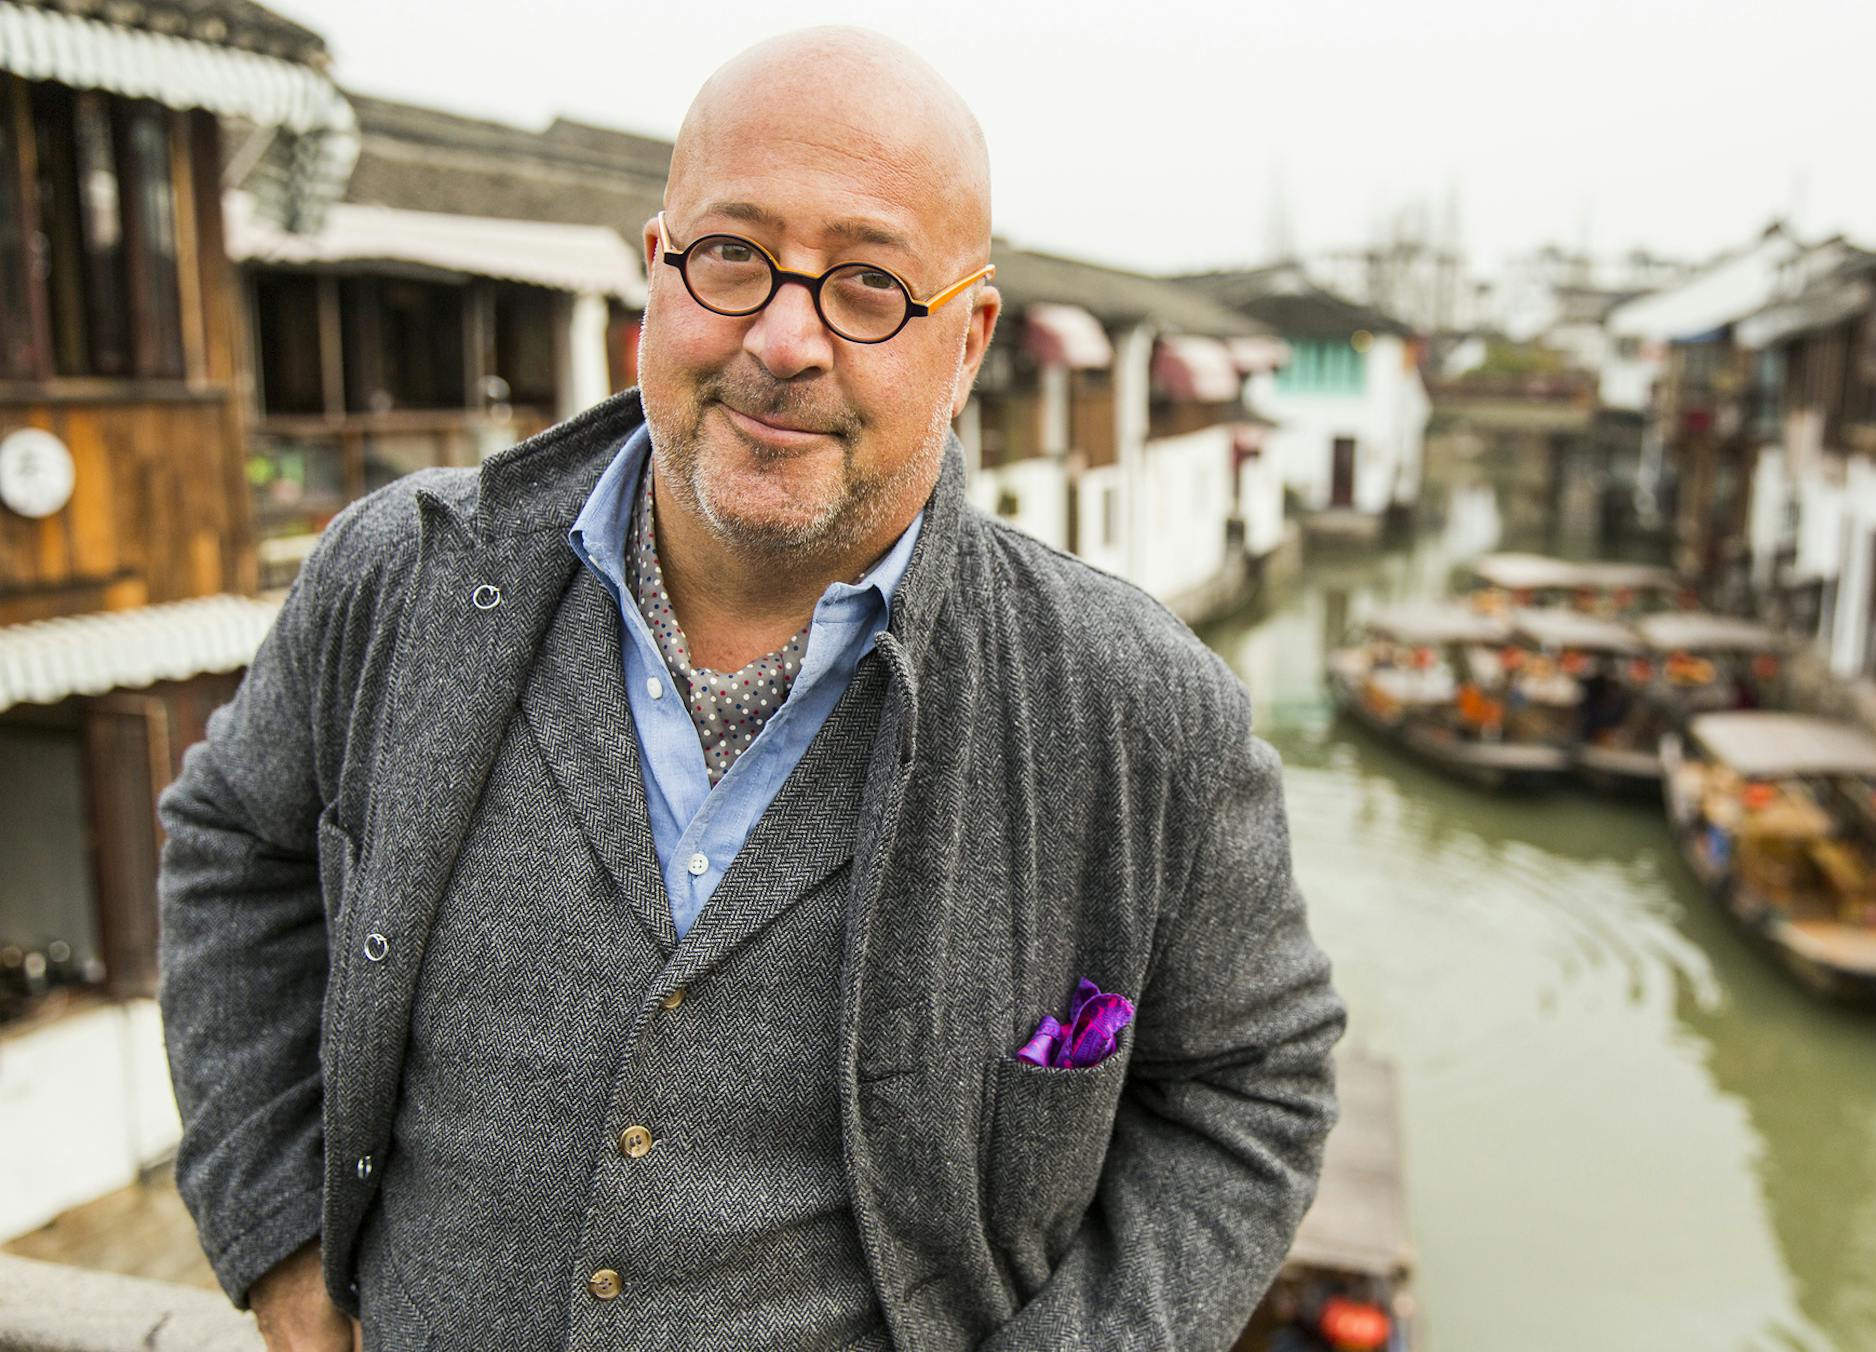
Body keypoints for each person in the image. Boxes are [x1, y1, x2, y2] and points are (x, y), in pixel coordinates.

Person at [156, 28, 1344, 1352]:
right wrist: (284, 1256)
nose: (785, 340)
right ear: (655, 276)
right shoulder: (403, 583)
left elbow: (1251, 1089)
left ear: (968, 345)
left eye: (870, 285)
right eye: (733, 257)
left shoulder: (1133, 712)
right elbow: (234, 855)